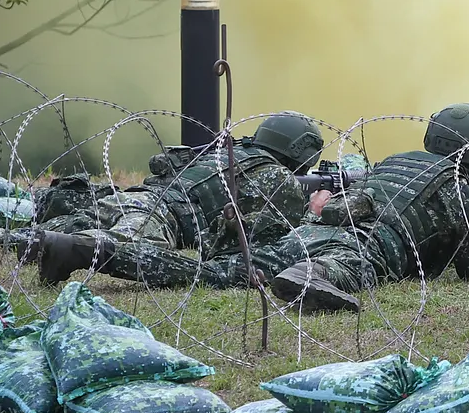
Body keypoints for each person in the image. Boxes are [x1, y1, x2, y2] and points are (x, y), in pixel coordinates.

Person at [267, 102, 469, 311]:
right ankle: (308, 273)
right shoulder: (458, 192)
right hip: (366, 247)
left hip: (316, 232)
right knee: (347, 269)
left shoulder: (396, 160)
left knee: (251, 265)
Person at [18, 111, 324, 285]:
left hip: (133, 199)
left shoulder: (231, 152)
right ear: (300, 150)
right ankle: (72, 249)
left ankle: (19, 240)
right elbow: (276, 234)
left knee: (30, 235)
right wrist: (314, 210)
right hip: (157, 213)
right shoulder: (277, 177)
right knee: (138, 245)